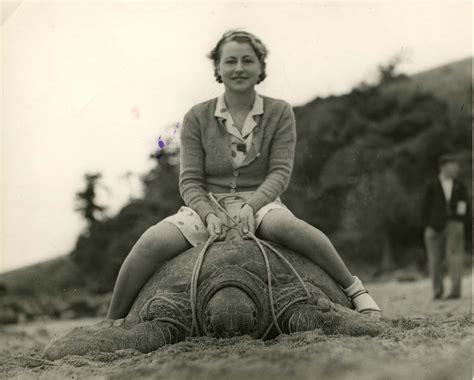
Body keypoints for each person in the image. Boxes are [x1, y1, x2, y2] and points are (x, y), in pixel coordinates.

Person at [105, 30, 381, 323]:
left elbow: (279, 172)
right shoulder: (197, 117)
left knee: (292, 229)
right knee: (150, 242)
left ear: (261, 67)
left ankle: (355, 290)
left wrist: (252, 206)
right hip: (207, 206)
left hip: (260, 202)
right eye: (230, 61)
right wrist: (209, 214)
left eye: (248, 60)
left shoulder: (280, 112)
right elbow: (189, 181)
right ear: (217, 68)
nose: (239, 68)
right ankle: (112, 319)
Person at [421, 153, 470, 300]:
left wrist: (459, 220)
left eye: (457, 166)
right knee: (434, 259)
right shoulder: (431, 185)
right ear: (443, 167)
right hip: (433, 227)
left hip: (454, 224)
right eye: (452, 166)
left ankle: (455, 291)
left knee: (454, 257)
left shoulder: (459, 185)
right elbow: (424, 207)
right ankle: (437, 290)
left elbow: (465, 204)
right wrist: (428, 225)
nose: (456, 169)